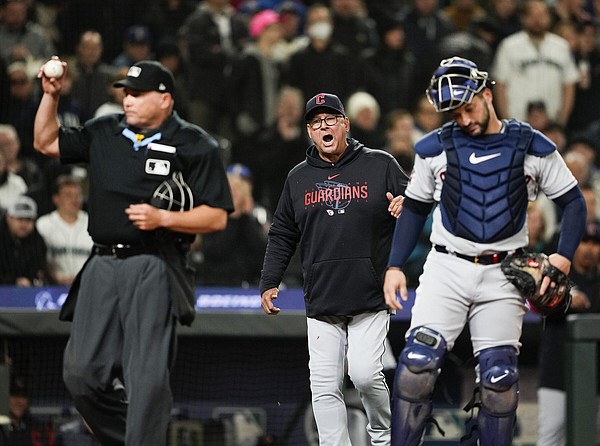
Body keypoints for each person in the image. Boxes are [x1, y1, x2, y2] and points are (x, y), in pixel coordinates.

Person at [382, 57, 587, 446]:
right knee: (416, 367)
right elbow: (414, 207)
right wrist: (394, 265)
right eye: (454, 113)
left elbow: (573, 202)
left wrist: (562, 256)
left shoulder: (531, 145)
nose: (463, 120)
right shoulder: (433, 149)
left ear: (487, 94)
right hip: (446, 267)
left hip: (505, 272)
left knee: (499, 381)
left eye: (469, 108)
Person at [33, 58, 233, 445]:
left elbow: (216, 217)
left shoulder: (194, 144)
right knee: (81, 373)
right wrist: (50, 96)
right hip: (102, 261)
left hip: (154, 263)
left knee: (147, 379)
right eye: (126, 92)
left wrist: (163, 218)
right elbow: (45, 142)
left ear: (165, 99)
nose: (128, 100)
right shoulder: (105, 131)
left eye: (138, 94)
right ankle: (135, 439)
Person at [259, 92, 408, 445]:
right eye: (315, 123)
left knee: (366, 374)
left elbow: (421, 206)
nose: (323, 127)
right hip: (323, 297)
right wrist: (269, 279)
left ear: (346, 125)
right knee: (324, 387)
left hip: (370, 294)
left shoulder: (381, 164)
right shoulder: (298, 178)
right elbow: (282, 232)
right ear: (309, 132)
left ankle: (385, 435)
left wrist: (408, 205)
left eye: (330, 120)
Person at [536, 223, 600, 446]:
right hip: (556, 374)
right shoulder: (558, 276)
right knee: (551, 437)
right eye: (584, 242)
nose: (589, 249)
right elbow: (539, 297)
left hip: (595, 378)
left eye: (595, 244)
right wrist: (568, 297)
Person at [492, 0, 579, 127]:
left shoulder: (561, 46)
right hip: (517, 121)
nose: (537, 20)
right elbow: (500, 85)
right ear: (523, 18)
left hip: (552, 123)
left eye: (542, 15)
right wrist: (507, 122)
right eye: (532, 15)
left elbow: (569, 85)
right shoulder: (509, 46)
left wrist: (561, 122)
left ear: (549, 18)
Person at [36, 175, 93, 286]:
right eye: (68, 195)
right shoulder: (43, 225)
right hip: (53, 288)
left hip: (87, 287)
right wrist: (53, 277)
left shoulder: (92, 224)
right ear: (56, 199)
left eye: (77, 195)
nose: (74, 199)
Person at [0, 194, 49, 286]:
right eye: (20, 219)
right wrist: (14, 281)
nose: (24, 224)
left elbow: (39, 271)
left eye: (28, 220)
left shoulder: (37, 242)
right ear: (8, 218)